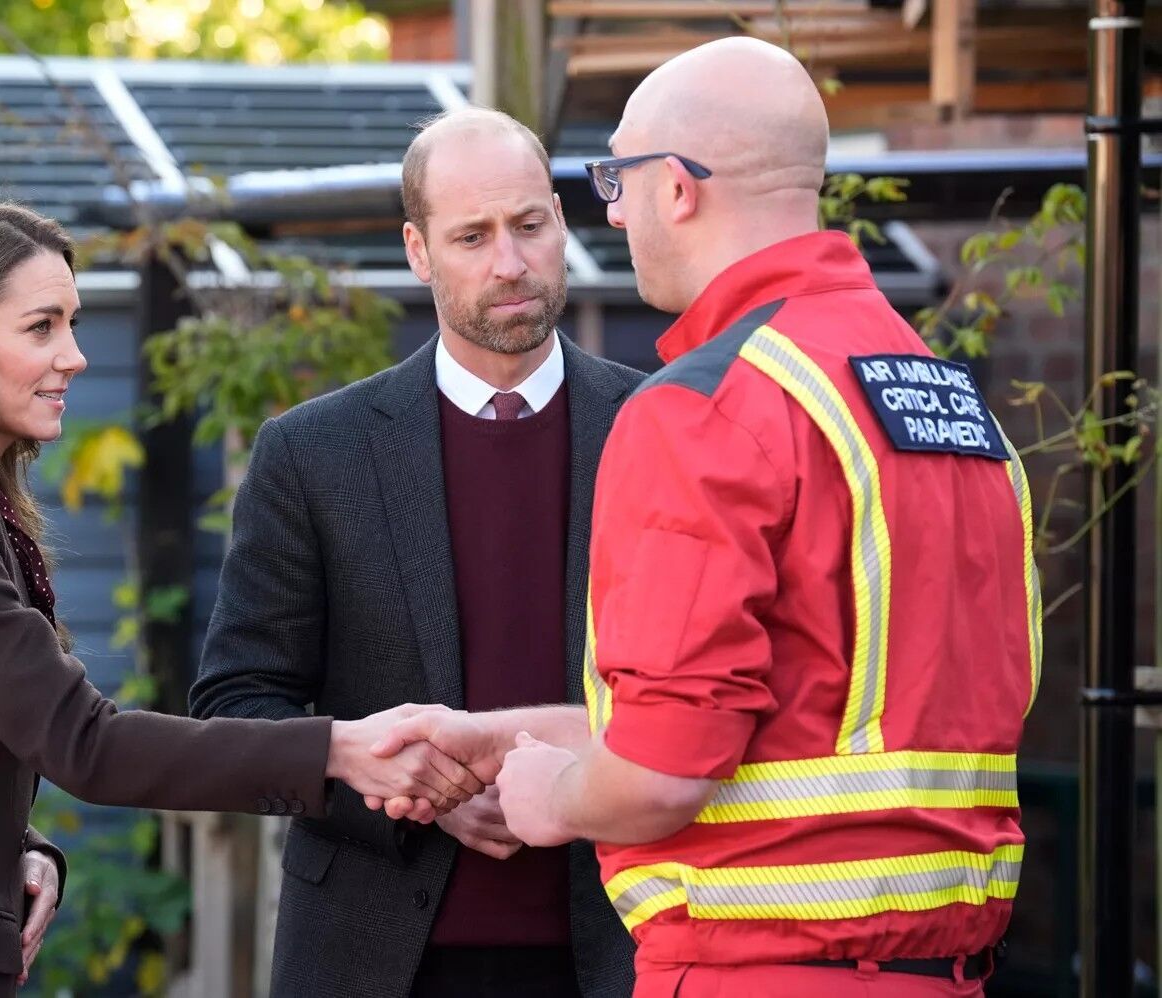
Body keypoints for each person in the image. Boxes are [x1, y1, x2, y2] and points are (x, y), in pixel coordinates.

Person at [383, 36, 1042, 998]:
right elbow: (803, 720)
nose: (610, 210)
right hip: (940, 969)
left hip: (760, 960)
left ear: (678, 189)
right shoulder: (947, 402)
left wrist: (552, 795)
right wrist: (524, 734)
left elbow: (663, 772)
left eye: (617, 177)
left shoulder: (705, 407)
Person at [0, 197, 480, 998]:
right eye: (41, 327)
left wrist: (18, 848)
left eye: (71, 322)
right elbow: (86, 746)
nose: (75, 356)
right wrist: (338, 749)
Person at [188, 108, 641, 998]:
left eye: (528, 226)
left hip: (622, 943)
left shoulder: (661, 429)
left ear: (558, 218)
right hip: (375, 950)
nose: (509, 263)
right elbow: (239, 706)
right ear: (418, 251)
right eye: (471, 236)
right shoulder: (314, 454)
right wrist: (416, 793)